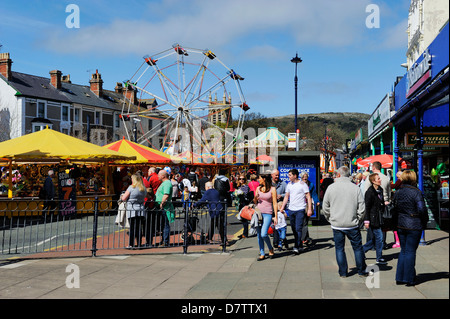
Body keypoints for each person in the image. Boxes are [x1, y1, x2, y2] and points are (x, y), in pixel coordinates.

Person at [322, 166, 368, 278]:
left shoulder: (331, 188)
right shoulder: (355, 188)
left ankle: (343, 272)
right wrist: (358, 219)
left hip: (337, 224)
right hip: (352, 223)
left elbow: (325, 206)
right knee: (357, 248)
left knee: (339, 248)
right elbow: (362, 208)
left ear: (338, 175)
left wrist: (330, 218)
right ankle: (361, 270)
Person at [393, 170, 428, 286]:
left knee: (403, 251)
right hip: (414, 224)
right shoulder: (416, 192)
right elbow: (422, 209)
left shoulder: (398, 192)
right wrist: (425, 221)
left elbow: (395, 208)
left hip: (401, 224)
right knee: (410, 251)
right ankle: (409, 278)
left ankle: (400, 277)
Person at [280, 169, 312, 254]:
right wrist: (282, 207)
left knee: (298, 228)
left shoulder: (302, 184)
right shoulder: (289, 184)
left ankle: (296, 246)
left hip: (300, 209)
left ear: (295, 175)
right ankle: (300, 245)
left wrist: (309, 209)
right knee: (294, 229)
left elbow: (308, 196)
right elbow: (286, 196)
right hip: (291, 210)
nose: (288, 176)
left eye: (290, 175)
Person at [363, 173, 387, 265]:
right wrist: (366, 220)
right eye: (378, 179)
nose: (380, 180)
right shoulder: (369, 192)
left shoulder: (380, 190)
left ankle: (362, 250)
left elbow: (380, 203)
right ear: (373, 181)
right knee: (379, 238)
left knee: (375, 239)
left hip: (379, 217)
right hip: (373, 219)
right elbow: (367, 207)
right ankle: (379, 257)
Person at [254, 173, 278, 260]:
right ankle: (262, 253)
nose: (258, 180)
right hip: (258, 213)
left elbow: (274, 203)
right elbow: (255, 202)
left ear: (264, 179)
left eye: (259, 178)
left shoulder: (272, 189)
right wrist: (256, 198)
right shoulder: (258, 188)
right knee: (259, 234)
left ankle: (270, 248)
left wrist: (276, 216)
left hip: (268, 213)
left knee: (264, 234)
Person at [121, 174, 147, 248]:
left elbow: (124, 198)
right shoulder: (143, 188)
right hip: (141, 208)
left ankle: (131, 244)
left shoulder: (131, 188)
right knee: (139, 227)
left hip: (132, 209)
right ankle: (139, 244)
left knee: (132, 227)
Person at [155, 169, 175, 247]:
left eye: (159, 175)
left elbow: (166, 195)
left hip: (165, 208)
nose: (158, 176)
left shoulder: (167, 183)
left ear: (163, 176)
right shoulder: (164, 183)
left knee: (165, 225)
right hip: (163, 207)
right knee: (163, 225)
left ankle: (165, 242)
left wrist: (162, 204)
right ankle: (164, 240)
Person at [300, 171, 318, 247]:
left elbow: (314, 193)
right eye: (304, 177)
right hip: (300, 204)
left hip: (308, 205)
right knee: (303, 222)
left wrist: (317, 201)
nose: (305, 178)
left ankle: (304, 238)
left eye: (306, 177)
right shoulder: (299, 184)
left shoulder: (310, 185)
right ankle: (305, 237)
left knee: (305, 221)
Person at [271, 169, 288, 248]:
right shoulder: (269, 184)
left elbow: (288, 193)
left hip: (280, 207)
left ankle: (280, 239)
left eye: (278, 175)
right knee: (275, 224)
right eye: (275, 175)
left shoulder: (283, 183)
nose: (277, 177)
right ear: (272, 175)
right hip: (271, 206)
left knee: (281, 223)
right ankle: (276, 241)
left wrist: (281, 195)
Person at [236, 174, 253, 238]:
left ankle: (245, 234)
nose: (241, 180)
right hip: (240, 204)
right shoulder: (239, 186)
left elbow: (244, 194)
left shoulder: (245, 187)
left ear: (245, 180)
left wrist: (239, 193)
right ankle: (244, 233)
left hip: (244, 204)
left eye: (243, 179)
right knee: (243, 219)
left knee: (244, 219)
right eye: (240, 179)